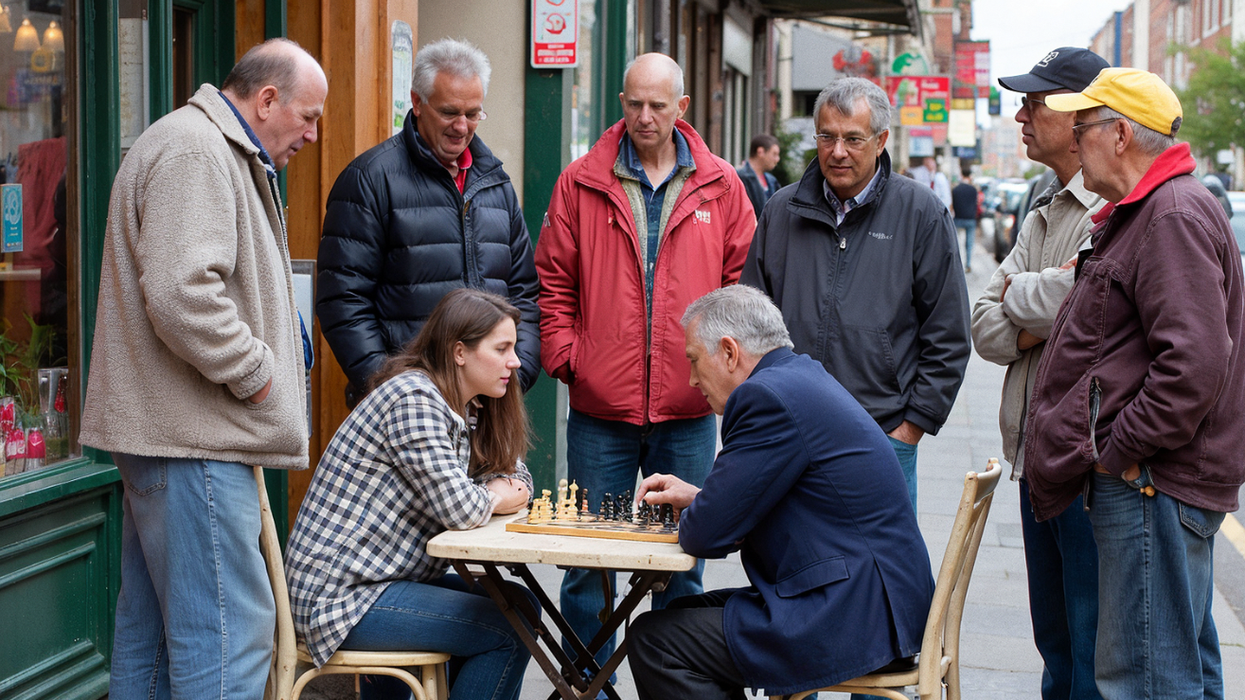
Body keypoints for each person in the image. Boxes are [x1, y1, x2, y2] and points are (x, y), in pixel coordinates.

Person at [78, 39, 327, 698]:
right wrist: (258, 375)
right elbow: (183, 294)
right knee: (227, 639)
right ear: (266, 100)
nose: (313, 133)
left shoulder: (202, 145)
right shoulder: (198, 151)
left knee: (158, 640)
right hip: (194, 440)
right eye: (307, 116)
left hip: (178, 436)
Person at [535, 52, 756, 673]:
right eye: (634, 104)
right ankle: (587, 685)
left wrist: (724, 376)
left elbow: (742, 286)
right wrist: (569, 357)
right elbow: (552, 281)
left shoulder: (721, 185)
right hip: (599, 409)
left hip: (689, 409)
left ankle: (674, 684)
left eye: (658, 105)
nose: (645, 116)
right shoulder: (581, 181)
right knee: (587, 566)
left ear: (681, 107)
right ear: (622, 104)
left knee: (682, 563)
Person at [1030, 68, 1245, 699]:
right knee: (1174, 668)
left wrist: (1118, 451)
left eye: (1083, 126)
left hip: (1151, 485)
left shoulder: (1169, 214)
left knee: (1143, 678)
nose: (1074, 138)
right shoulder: (1156, 209)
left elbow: (1193, 365)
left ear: (1120, 135)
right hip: (1154, 483)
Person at [626, 285, 934, 700]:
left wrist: (705, 510)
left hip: (852, 615)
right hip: (879, 603)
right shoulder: (798, 376)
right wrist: (702, 500)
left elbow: (704, 535)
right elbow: (747, 504)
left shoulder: (765, 397)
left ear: (730, 352)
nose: (693, 379)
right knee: (679, 616)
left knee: (656, 642)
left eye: (694, 360)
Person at [285, 288, 536, 700]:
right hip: (342, 599)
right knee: (508, 628)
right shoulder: (414, 398)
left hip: (389, 581)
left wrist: (496, 490)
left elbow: (515, 474)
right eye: (502, 348)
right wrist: (494, 494)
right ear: (460, 352)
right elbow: (462, 509)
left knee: (520, 605)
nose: (516, 361)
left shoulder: (468, 406)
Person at [741, 76, 970, 515]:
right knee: (783, 552)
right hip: (785, 433)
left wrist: (912, 427)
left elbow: (949, 333)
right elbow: (750, 321)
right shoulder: (781, 211)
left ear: (881, 140)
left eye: (853, 138)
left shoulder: (921, 213)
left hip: (881, 435)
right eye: (826, 137)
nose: (838, 151)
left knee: (876, 555)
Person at [971, 46, 1109, 700]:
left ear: (1080, 115)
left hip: (1084, 469)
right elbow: (983, 326)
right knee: (1053, 644)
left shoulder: (1111, 205)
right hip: (1033, 461)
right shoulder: (1043, 206)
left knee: (1090, 648)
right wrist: (1038, 311)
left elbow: (1082, 304)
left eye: (1033, 103)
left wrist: (1024, 300)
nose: (1020, 116)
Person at [317, 38, 540, 407]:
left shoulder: (495, 184)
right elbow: (343, 301)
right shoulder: (369, 179)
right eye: (449, 112)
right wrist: (395, 392)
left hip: (489, 407)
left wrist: (517, 375)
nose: (462, 126)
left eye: (473, 114)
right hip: (405, 410)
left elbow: (524, 295)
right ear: (417, 103)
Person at [737, 133, 781, 217]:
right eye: (774, 154)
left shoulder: (772, 180)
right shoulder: (740, 177)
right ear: (760, 152)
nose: (777, 159)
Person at [951, 168, 979, 271]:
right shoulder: (973, 189)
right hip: (970, 219)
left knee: (956, 243)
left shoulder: (955, 189)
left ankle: (955, 264)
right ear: (970, 176)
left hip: (958, 218)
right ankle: (968, 264)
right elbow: (976, 204)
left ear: (961, 175)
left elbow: (953, 205)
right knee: (969, 244)